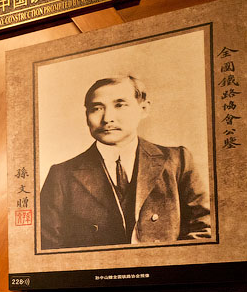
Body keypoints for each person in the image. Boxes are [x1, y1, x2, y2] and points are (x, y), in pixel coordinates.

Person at [39, 75, 211, 250]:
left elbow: (203, 228)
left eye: (120, 105)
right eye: (97, 108)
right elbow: (49, 246)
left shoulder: (177, 160)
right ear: (86, 116)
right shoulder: (62, 175)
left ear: (143, 109)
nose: (107, 118)